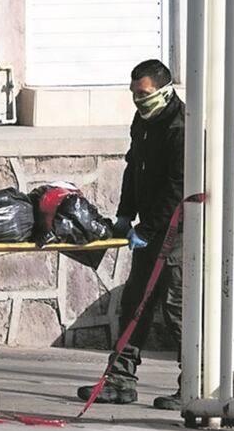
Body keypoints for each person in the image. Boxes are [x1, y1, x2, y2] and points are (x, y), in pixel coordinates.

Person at [77, 59, 184, 409]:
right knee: (134, 303)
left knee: (176, 307)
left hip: (176, 232)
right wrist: (126, 214)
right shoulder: (143, 120)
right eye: (134, 94)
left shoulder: (181, 126)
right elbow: (133, 168)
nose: (138, 101)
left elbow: (177, 186)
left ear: (165, 91)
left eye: (145, 94)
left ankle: (195, 385)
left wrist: (149, 228)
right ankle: (120, 380)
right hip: (147, 229)